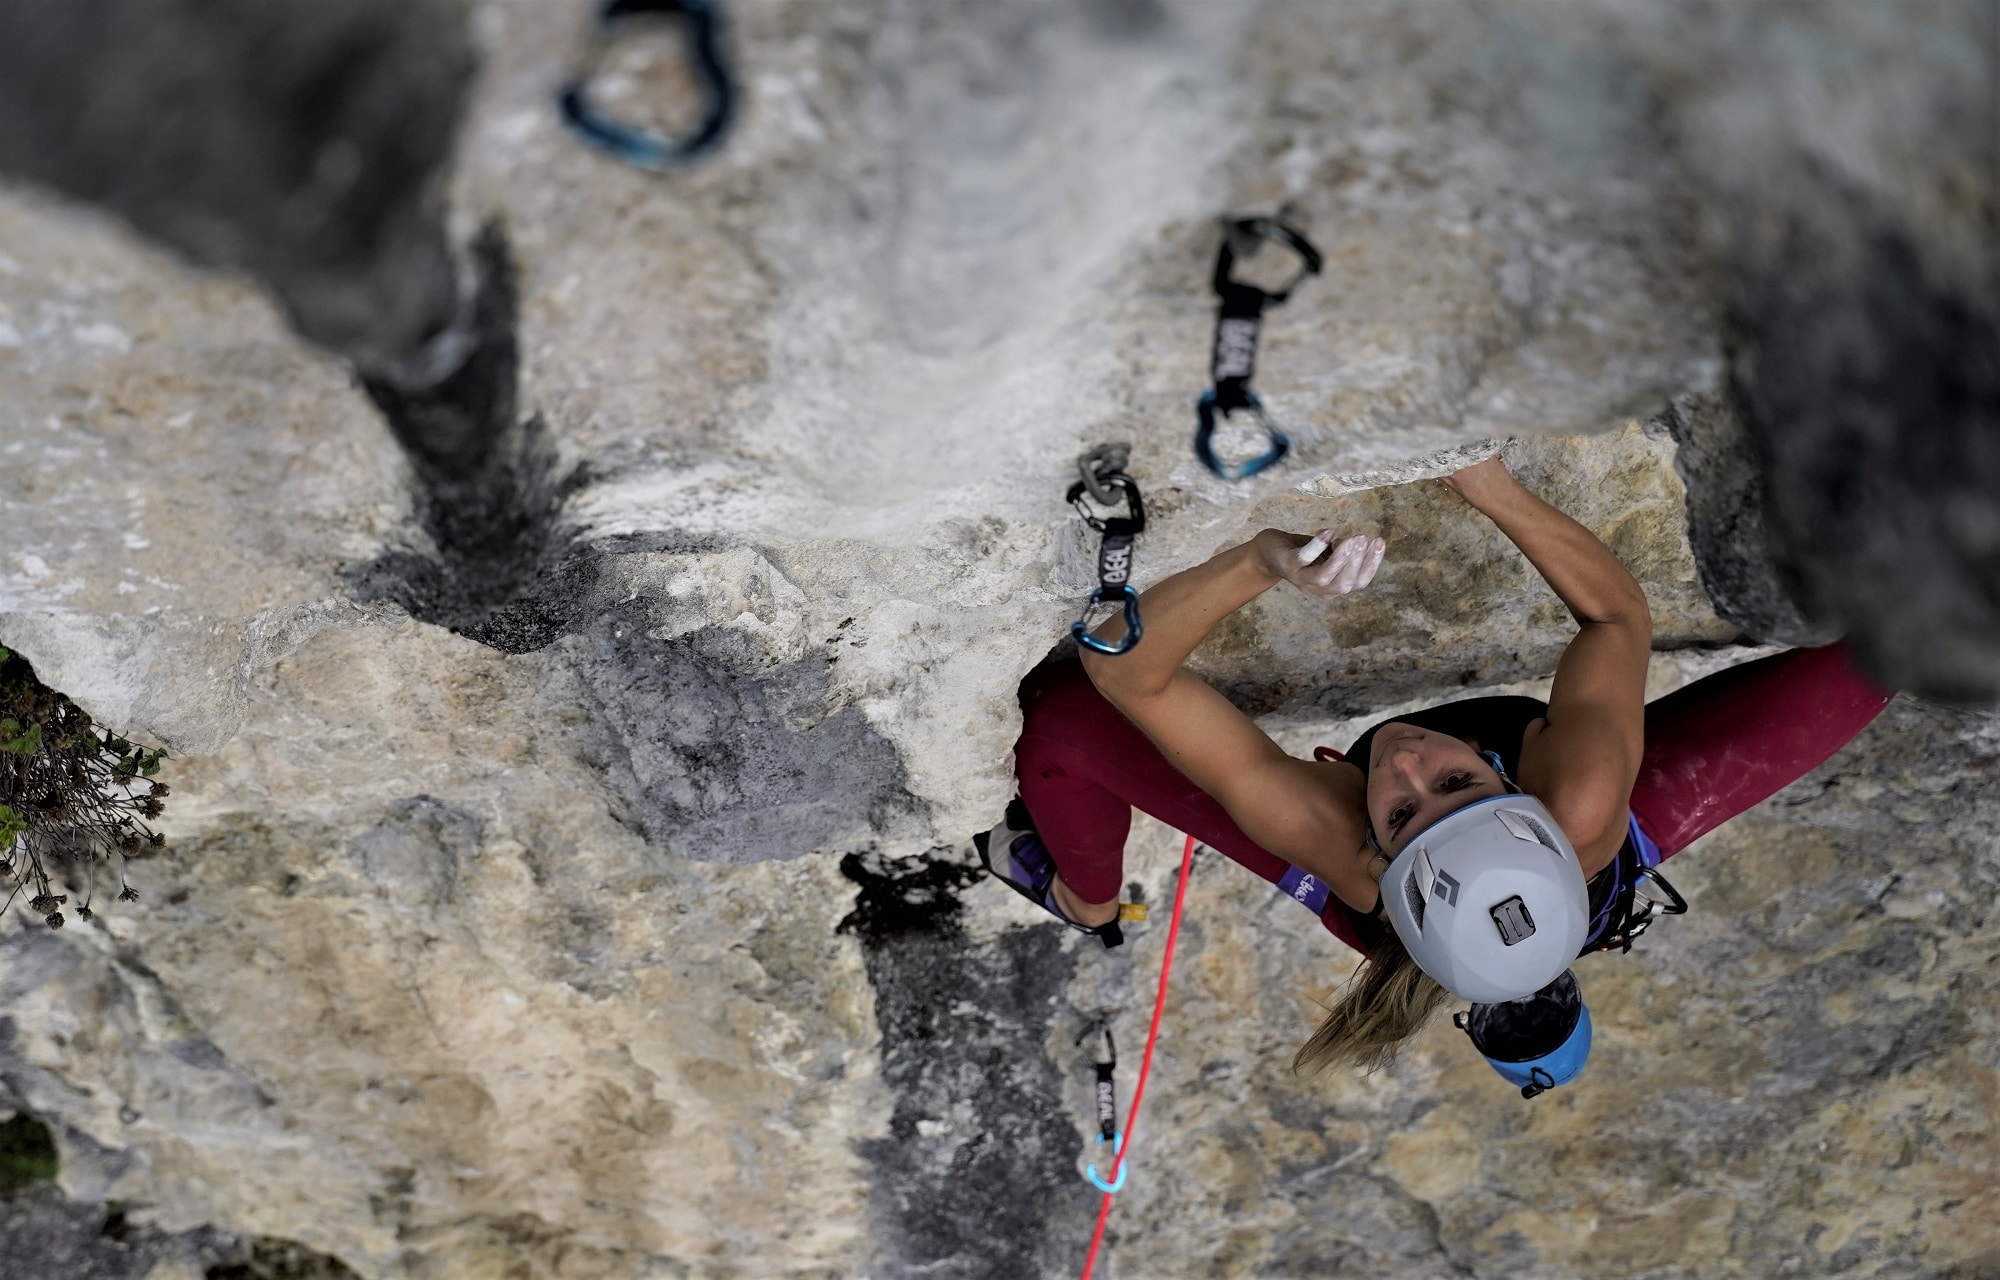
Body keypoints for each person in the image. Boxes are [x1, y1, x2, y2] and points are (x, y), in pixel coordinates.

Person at [979, 456, 1892, 1088]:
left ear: (1377, 854)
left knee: (1065, 722)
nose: (1409, 760)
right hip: (1549, 838)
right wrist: (1493, 490)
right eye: (1457, 783)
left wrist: (1261, 562)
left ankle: (1087, 903)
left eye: (1403, 809)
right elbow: (1617, 621)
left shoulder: (1339, 847)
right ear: (1518, 782)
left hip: (1418, 875)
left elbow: (1119, 668)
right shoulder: (1578, 798)